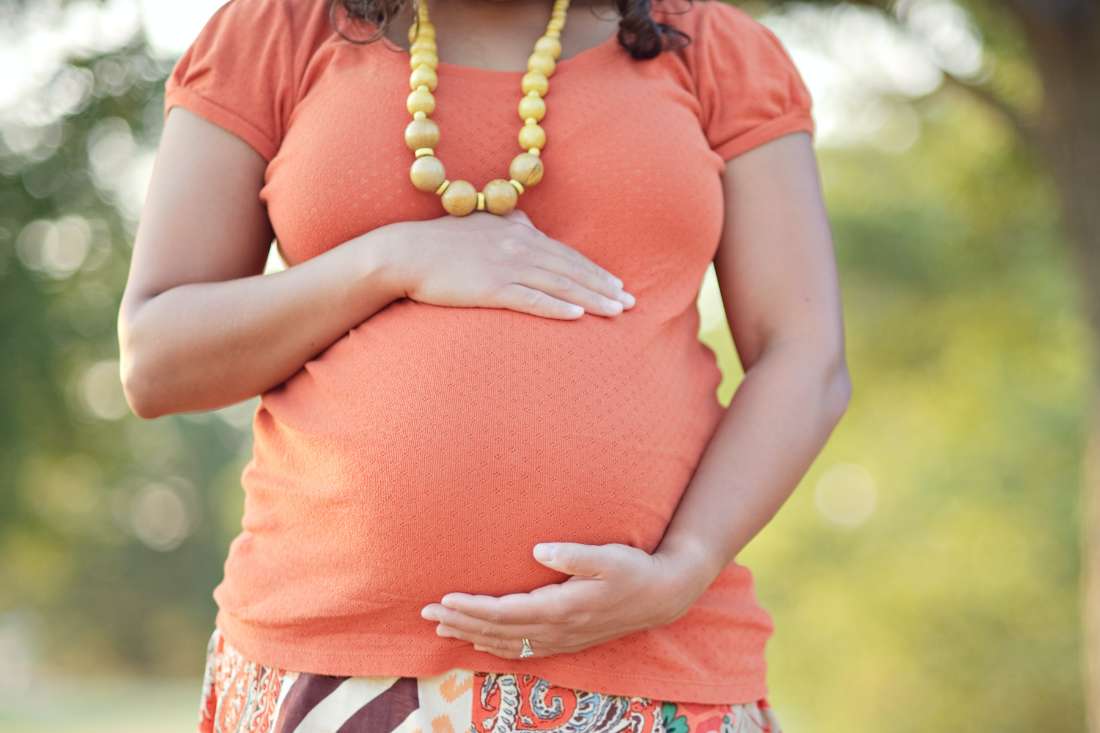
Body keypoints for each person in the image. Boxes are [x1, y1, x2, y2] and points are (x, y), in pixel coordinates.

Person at [117, 0, 849, 729]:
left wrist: (683, 567)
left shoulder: (716, 49)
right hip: (330, 667)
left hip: (653, 669)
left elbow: (804, 352)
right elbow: (158, 358)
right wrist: (389, 260)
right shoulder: (275, 33)